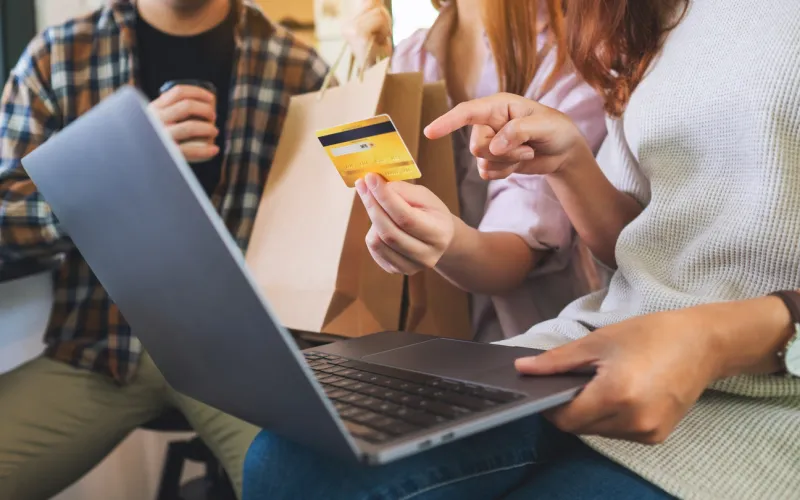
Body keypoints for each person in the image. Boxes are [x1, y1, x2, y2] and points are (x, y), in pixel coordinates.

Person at [242, 0, 800, 498]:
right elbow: (643, 243)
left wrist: (710, 337)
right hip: (599, 342)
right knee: (289, 462)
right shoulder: (641, 18)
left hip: (768, 387)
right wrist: (571, 163)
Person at [0, 0, 327, 498]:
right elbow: (5, 219)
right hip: (102, 349)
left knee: (306, 489)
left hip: (246, 358)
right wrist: (117, 162)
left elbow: (328, 242)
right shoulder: (58, 56)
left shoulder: (299, 68)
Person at [344, 0, 607, 342]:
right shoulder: (410, 55)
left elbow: (512, 257)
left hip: (528, 345)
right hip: (420, 345)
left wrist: (445, 241)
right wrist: (370, 72)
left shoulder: (570, 56)